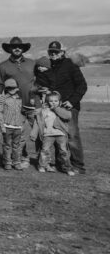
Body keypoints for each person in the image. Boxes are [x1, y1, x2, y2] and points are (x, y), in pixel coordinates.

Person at [37, 41, 87, 174]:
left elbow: (82, 86)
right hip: (53, 107)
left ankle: (78, 166)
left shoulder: (71, 65)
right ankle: (61, 164)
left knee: (72, 136)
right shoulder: (48, 67)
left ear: (62, 52)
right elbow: (42, 84)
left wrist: (72, 101)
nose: (53, 54)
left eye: (56, 51)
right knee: (56, 134)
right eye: (50, 52)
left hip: (69, 107)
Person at [0, 36, 37, 169]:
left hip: (32, 104)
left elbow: (40, 80)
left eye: (19, 47)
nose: (17, 48)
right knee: (19, 135)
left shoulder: (32, 63)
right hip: (14, 107)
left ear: (23, 49)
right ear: (10, 49)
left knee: (39, 132)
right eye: (14, 47)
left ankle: (43, 159)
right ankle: (22, 158)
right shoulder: (3, 66)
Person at [30, 91, 75, 176]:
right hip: (47, 135)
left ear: (59, 102)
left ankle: (68, 168)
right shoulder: (44, 111)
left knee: (64, 151)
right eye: (51, 101)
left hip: (60, 134)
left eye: (55, 101)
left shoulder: (62, 109)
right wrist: (33, 133)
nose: (53, 103)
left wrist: (56, 108)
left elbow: (68, 116)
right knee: (45, 151)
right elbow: (38, 122)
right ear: (47, 102)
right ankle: (42, 166)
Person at [0, 78, 25, 171]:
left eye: (14, 88)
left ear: (17, 88)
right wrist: (2, 126)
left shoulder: (20, 99)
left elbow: (22, 113)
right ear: (6, 89)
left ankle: (16, 162)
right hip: (7, 126)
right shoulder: (3, 99)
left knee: (16, 145)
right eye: (9, 88)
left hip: (18, 126)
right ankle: (7, 162)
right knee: (7, 145)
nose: (12, 90)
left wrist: (21, 125)